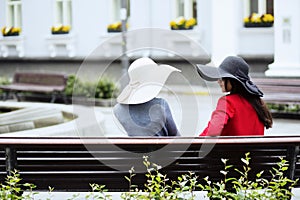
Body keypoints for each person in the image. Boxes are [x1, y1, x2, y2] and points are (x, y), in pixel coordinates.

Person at [196, 56, 273, 136]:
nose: (218, 81)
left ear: (233, 80)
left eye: (222, 77)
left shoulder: (227, 102)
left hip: (230, 149)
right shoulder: (258, 103)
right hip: (255, 148)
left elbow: (212, 132)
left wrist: (195, 143)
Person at [113, 57, 181, 136]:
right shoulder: (161, 105)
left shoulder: (118, 109)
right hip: (161, 148)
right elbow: (176, 136)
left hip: (133, 148)